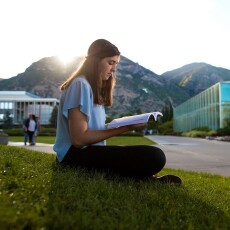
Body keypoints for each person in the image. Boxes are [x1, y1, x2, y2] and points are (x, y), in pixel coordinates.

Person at [53, 39, 182, 185]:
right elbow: (79, 139)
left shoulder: (90, 88)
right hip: (73, 157)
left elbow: (90, 130)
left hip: (88, 153)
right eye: (110, 63)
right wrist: (124, 128)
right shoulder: (80, 85)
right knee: (155, 156)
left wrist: (120, 124)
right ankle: (140, 179)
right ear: (95, 61)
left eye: (116, 64)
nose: (114, 69)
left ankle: (140, 179)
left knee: (149, 155)